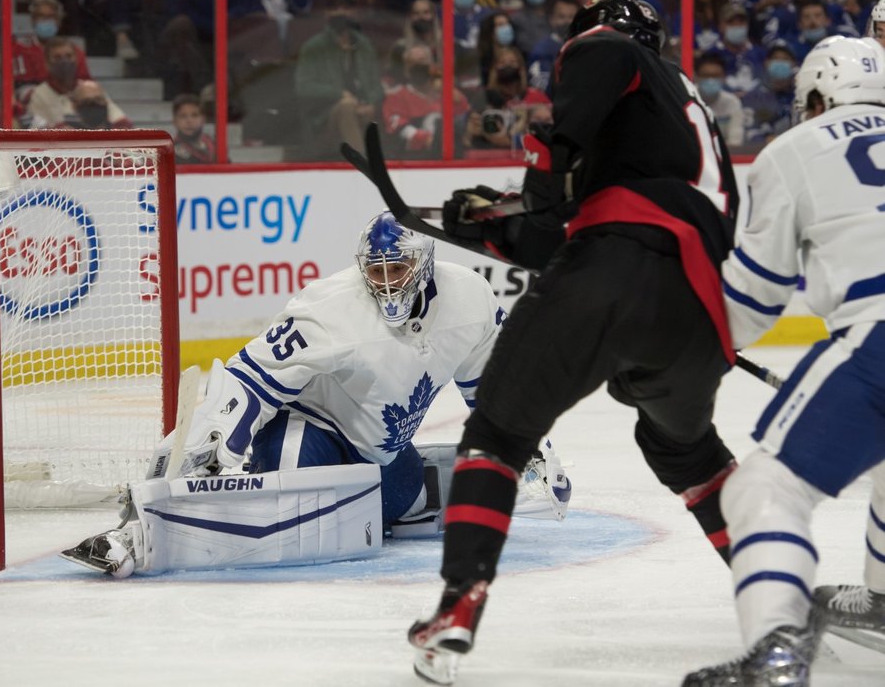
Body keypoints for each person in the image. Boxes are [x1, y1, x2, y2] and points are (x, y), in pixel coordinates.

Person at [406, 0, 739, 684]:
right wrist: (493, 226)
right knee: (684, 451)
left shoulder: (609, 52)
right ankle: (774, 582)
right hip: (698, 312)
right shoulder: (679, 120)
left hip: (612, 269)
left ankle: (457, 606)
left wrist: (538, 171)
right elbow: (560, 224)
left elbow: (570, 180)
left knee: (497, 433)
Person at [59, 211, 572, 577]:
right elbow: (249, 376)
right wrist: (211, 439)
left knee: (385, 510)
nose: (388, 284)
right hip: (310, 430)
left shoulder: (472, 299)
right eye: (378, 271)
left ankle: (392, 491)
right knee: (292, 508)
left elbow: (495, 386)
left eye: (399, 270)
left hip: (380, 451)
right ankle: (154, 532)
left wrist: (526, 442)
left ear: (425, 265)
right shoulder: (330, 307)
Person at [683, 35, 885, 686]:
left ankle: (775, 649)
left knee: (763, 490)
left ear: (819, 97)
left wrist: (688, 344)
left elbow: (755, 298)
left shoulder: (796, 149)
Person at [293, 0, 382, 160]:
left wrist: (371, 104)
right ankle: (364, 168)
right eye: (335, 8)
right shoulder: (313, 47)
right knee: (346, 108)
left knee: (366, 113)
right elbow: (303, 87)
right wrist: (340, 95)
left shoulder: (364, 45)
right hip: (323, 121)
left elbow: (377, 85)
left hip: (362, 112)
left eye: (345, 8)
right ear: (326, 14)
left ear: (354, 12)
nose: (340, 12)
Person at [382, 43, 470, 159]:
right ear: (407, 70)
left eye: (423, 63)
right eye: (414, 64)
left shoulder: (447, 92)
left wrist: (449, 91)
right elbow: (400, 128)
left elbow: (464, 117)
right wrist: (428, 139)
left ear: (432, 66)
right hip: (416, 160)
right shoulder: (397, 97)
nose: (420, 68)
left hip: (451, 158)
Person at [11, 0, 92, 100]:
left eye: (50, 17)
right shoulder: (19, 49)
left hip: (71, 104)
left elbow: (86, 83)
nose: (46, 21)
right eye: (41, 16)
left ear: (58, 21)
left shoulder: (73, 51)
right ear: (33, 20)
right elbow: (21, 90)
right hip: (35, 107)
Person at [693, 51, 744, 148]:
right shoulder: (688, 99)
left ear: (724, 77)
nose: (711, 80)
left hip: (725, 154)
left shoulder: (732, 102)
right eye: (705, 75)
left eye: (716, 76)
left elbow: (735, 138)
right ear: (696, 77)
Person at [172, 93, 215, 164]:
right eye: (183, 116)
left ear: (203, 119)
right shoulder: (169, 152)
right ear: (175, 121)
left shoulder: (214, 145)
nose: (189, 121)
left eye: (195, 115)